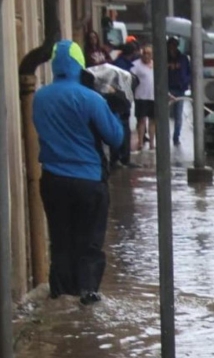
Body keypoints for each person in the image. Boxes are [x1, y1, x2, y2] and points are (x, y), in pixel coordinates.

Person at [32, 41, 125, 305]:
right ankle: (88, 298)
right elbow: (115, 137)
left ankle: (61, 298)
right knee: (89, 244)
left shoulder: (39, 97)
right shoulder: (90, 98)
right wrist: (115, 110)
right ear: (79, 65)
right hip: (88, 182)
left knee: (61, 242)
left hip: (53, 181)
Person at [86, 60, 135, 171]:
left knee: (122, 134)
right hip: (114, 111)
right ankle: (116, 159)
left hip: (118, 110)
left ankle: (120, 158)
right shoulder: (107, 86)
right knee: (117, 134)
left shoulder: (119, 82)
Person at [166, 36, 191, 146]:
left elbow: (189, 72)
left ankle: (176, 137)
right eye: (171, 45)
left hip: (180, 89)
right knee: (165, 114)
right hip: (168, 88)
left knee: (178, 115)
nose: (173, 47)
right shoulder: (164, 58)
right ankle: (164, 137)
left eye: (175, 45)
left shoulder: (183, 58)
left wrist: (185, 81)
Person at [130, 44, 155, 151]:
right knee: (141, 120)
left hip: (153, 96)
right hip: (140, 96)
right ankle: (140, 142)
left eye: (149, 53)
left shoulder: (155, 65)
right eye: (144, 53)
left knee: (153, 121)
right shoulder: (136, 65)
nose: (146, 56)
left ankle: (152, 143)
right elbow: (131, 79)